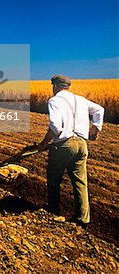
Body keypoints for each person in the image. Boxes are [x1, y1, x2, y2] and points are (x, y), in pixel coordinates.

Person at [38, 74, 104, 226]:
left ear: (55, 86)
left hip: (64, 145)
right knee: (80, 181)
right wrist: (94, 131)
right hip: (82, 144)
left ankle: (53, 210)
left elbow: (55, 126)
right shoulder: (80, 100)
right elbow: (99, 110)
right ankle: (83, 218)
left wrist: (43, 144)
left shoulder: (54, 100)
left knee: (53, 177)